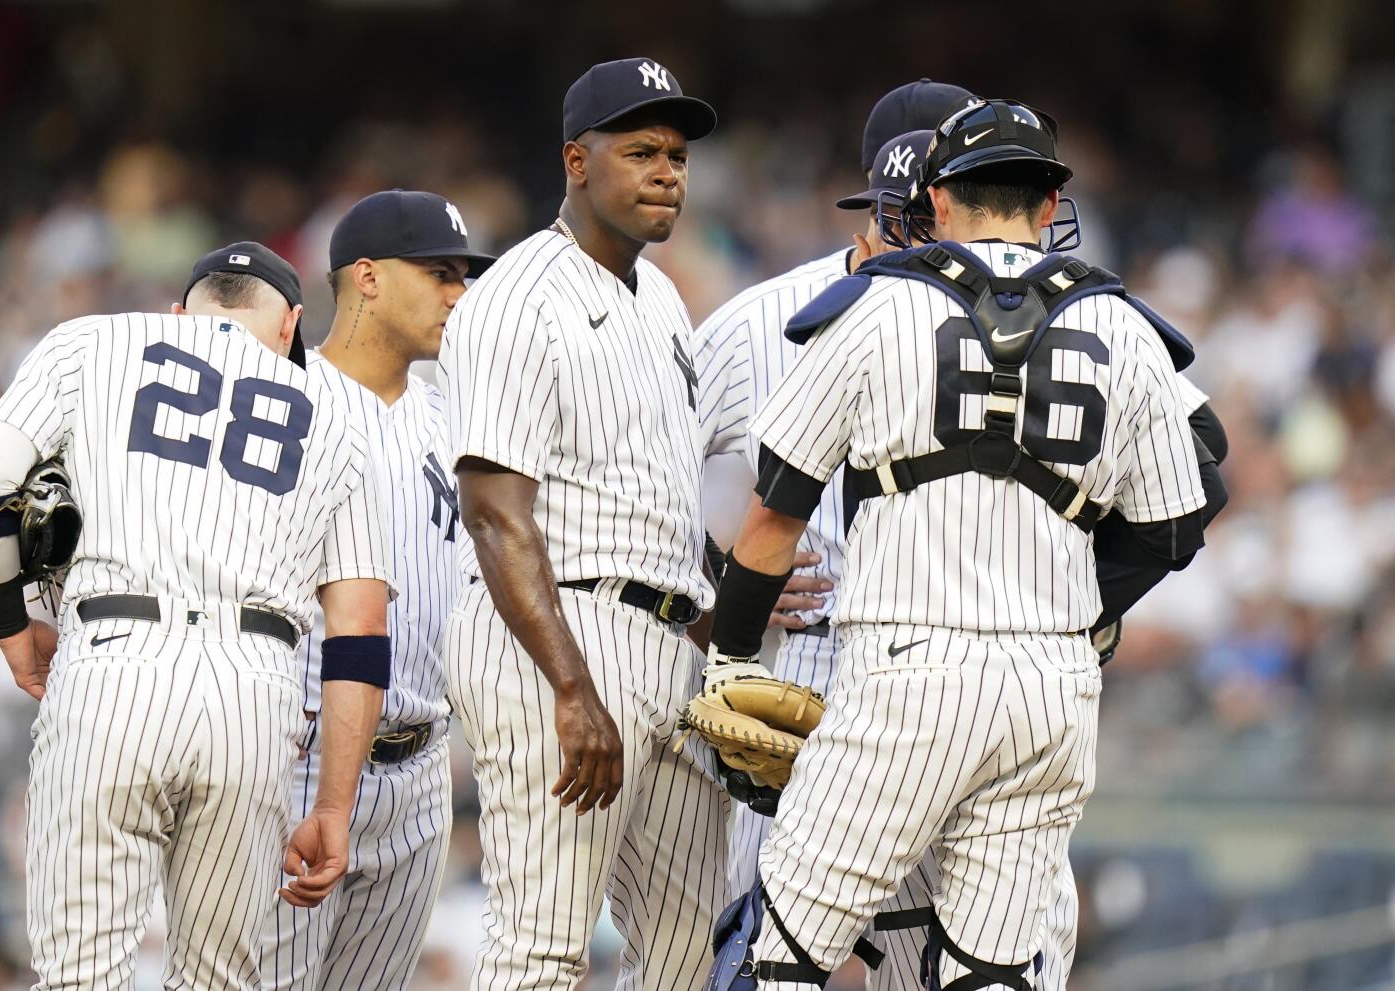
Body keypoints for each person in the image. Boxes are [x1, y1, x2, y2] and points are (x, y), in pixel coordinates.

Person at [702, 100, 1227, 988]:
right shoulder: (1122, 322)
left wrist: (729, 654)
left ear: (938, 199)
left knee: (773, 957)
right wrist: (1076, 605)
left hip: (910, 676)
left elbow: (773, 516)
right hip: (1052, 697)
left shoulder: (878, 306)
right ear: (1050, 197)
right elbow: (1180, 519)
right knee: (989, 975)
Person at [0, 243, 392, 990]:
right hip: (255, 689)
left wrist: (13, 628)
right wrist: (335, 805)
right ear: (290, 326)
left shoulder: (93, 341)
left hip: (114, 661)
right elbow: (359, 632)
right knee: (219, 979)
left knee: (80, 973)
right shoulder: (342, 420)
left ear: (181, 312)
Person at [438, 57, 728, 990]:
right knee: (544, 947)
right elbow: (493, 512)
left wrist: (730, 645)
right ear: (576, 159)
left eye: (676, 155)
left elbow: (665, 502)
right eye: (639, 150)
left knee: (689, 951)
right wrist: (570, 685)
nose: (665, 172)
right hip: (564, 632)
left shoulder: (666, 300)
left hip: (669, 640)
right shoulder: (518, 296)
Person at [259, 192, 494, 990]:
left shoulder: (456, 417)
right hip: (297, 762)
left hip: (422, 768)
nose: (457, 294)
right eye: (438, 273)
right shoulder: (284, 405)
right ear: (365, 277)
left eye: (462, 276)